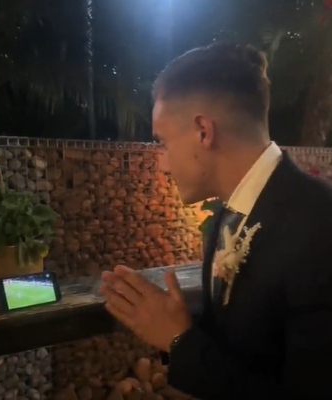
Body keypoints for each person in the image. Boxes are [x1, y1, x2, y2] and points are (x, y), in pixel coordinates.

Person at [99, 42, 332, 400]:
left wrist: (179, 340)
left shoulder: (320, 224)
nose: (162, 162)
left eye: (163, 142)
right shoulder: (226, 214)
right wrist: (178, 325)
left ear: (203, 131)